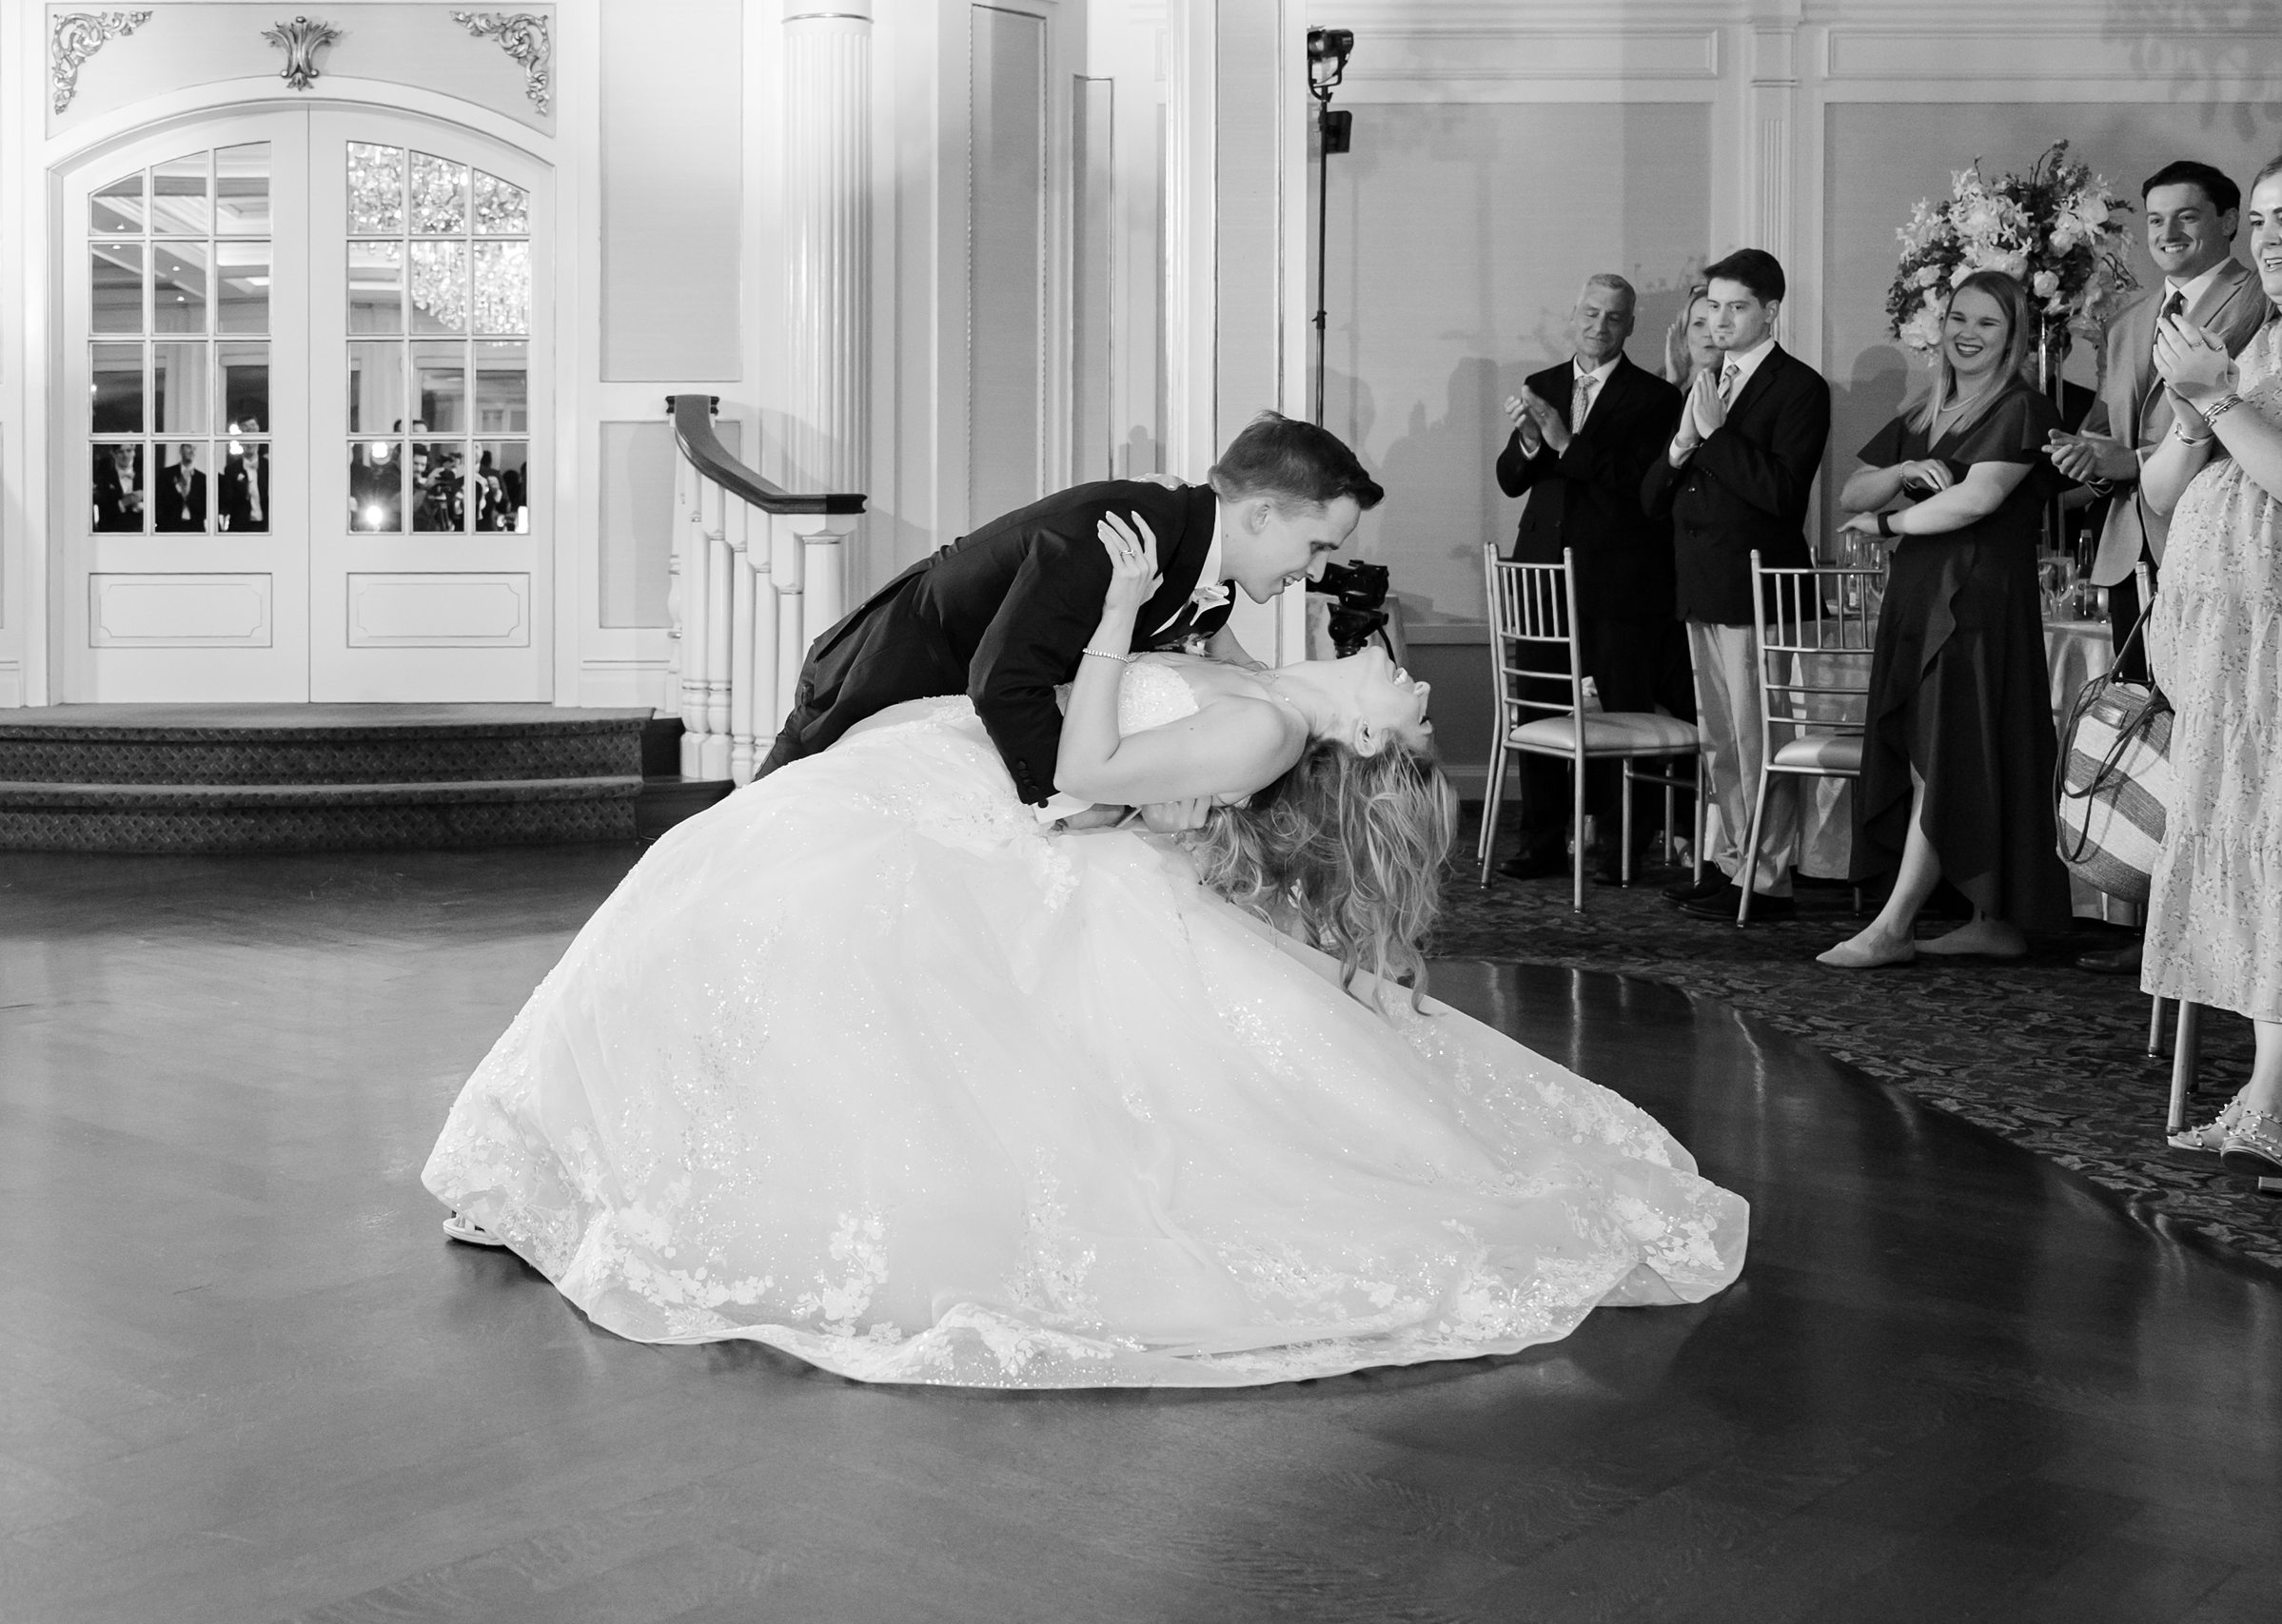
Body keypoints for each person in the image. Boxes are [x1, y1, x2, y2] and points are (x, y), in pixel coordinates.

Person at [426, 512, 1747, 1385]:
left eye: (1401, 713)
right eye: (1406, 695)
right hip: (959, 779)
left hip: (988, 803)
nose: (1408, 687)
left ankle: (607, 1154)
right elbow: (1170, 690)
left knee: (786, 945)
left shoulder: (1274, 730)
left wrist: (1117, 612)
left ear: (1354, 743)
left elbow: (1086, 759)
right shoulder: (1273, 689)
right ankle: (592, 1143)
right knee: (734, 917)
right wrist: (1183, 600)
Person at [764, 412, 1374, 806]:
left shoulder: (1203, 562)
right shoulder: (1124, 537)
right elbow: (1005, 681)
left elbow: (1202, 645)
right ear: (1262, 513)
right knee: (764, 837)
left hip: (963, 721)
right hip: (884, 678)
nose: (1318, 571)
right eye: (1318, 545)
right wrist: (1072, 801)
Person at [1820, 271, 2075, 969]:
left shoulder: (2023, 405)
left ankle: (1895, 924)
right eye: (1960, 316)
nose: (1967, 332)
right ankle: (1991, 918)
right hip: (1919, 590)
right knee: (1950, 745)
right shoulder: (1924, 407)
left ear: (2014, 334)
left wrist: (1886, 520)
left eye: (1987, 323)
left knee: (1948, 749)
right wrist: (1906, 470)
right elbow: (1851, 484)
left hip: (1977, 597)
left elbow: (1976, 501)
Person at [2136, 148, 2282, 1176]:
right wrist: (2193, 409)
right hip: (2221, 656)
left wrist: (2222, 400)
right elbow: (2156, 490)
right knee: (2247, 863)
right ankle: (2266, 1091)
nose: (2275, 237)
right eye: (2269, 220)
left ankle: (2268, 1099)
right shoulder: (2254, 334)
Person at [1642, 250, 1831, 922]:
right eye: (1712, 306)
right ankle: (1732, 862)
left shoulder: (1800, 387)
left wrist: (1716, 434)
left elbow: (1781, 494)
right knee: (1721, 739)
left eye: (1736, 307)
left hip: (1759, 591)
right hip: (1701, 581)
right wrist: (1679, 447)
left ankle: (1767, 874)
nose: (1719, 319)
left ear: (1771, 310)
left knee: (1759, 737)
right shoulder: (1706, 378)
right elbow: (1651, 499)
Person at [1492, 271, 1684, 876]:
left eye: (1615, 317)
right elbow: (1512, 480)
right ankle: (1541, 842)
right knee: (1541, 708)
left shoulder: (1656, 399)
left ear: (1630, 326)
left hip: (1622, 577)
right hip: (1543, 573)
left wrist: (1562, 440)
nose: (1600, 326)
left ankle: (1622, 843)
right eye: (1591, 314)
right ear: (1573, 316)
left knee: (1629, 712)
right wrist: (1527, 442)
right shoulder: (1542, 384)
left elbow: (1643, 487)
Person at [2047, 161, 2266, 659]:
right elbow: (2106, 436)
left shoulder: (2261, 299)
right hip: (2129, 551)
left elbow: (2253, 419)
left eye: (2186, 217)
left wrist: (2134, 461)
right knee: (2139, 718)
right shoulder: (2125, 323)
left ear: (2229, 221)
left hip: (2220, 545)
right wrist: (2089, 460)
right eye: (2154, 219)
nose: (2167, 233)